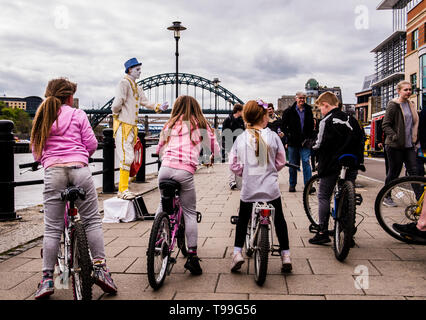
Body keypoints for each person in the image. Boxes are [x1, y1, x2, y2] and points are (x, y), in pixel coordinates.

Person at [30, 78, 117, 299]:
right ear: (70, 97)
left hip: (54, 172)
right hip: (80, 169)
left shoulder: (43, 115)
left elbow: (36, 150)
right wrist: (80, 155)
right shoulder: (78, 115)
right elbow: (91, 144)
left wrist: (47, 160)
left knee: (52, 229)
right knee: (91, 221)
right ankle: (100, 269)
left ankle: (48, 279)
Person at [156, 95, 220, 275]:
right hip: (185, 171)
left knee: (162, 207)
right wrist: (212, 154)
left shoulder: (169, 124)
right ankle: (192, 256)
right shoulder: (200, 123)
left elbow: (159, 147)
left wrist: (159, 152)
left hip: (165, 169)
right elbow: (215, 148)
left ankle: (156, 242)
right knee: (190, 212)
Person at [229, 99, 292, 273]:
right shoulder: (272, 136)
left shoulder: (241, 138)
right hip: (271, 190)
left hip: (250, 189)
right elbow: (281, 161)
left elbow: (233, 165)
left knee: (242, 219)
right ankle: (285, 255)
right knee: (280, 220)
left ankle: (237, 253)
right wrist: (271, 169)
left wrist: (245, 172)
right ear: (264, 118)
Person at [308, 92, 365, 245]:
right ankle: (348, 232)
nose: (321, 111)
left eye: (321, 108)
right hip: (351, 162)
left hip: (331, 164)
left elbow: (319, 144)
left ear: (326, 105)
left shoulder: (326, 121)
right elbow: (361, 140)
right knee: (347, 196)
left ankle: (322, 232)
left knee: (323, 196)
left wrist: (310, 146)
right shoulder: (352, 120)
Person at [111, 57, 168, 200]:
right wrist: (116, 113)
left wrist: (157, 107)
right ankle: (122, 190)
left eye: (140, 70)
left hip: (131, 126)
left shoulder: (136, 86)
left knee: (129, 157)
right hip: (124, 125)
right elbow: (117, 103)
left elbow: (144, 101)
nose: (139, 72)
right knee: (127, 157)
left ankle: (124, 188)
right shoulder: (124, 83)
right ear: (130, 70)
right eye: (137, 70)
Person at [382, 80, 418, 207]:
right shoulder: (393, 105)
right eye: (405, 89)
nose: (408, 92)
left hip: (409, 145)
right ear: (399, 91)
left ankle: (420, 200)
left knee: (415, 172)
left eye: (410, 89)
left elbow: (414, 123)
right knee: (394, 172)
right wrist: (395, 137)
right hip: (394, 146)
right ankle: (386, 196)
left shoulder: (411, 105)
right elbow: (385, 125)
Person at [281, 91, 314, 192]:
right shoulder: (289, 111)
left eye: (303, 98)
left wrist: (309, 138)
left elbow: (311, 125)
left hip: (305, 142)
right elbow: (283, 126)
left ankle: (308, 186)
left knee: (306, 162)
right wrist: (288, 136)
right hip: (293, 142)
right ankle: (292, 184)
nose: (302, 100)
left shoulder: (308, 110)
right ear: (296, 99)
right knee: (293, 164)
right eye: (300, 98)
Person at [222, 103, 245, 189]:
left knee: (239, 162)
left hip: (239, 145)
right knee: (232, 163)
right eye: (242, 111)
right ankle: (232, 181)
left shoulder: (241, 120)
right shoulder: (228, 120)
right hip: (230, 145)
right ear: (239, 111)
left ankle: (238, 181)